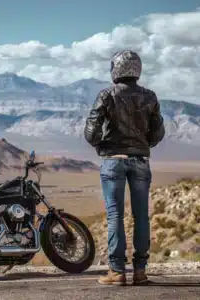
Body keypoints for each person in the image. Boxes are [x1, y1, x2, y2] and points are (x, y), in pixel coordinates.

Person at [84, 50, 165, 286]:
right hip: (141, 161)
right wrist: (143, 145)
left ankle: (117, 272)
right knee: (141, 216)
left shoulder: (106, 94)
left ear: (115, 69)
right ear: (136, 69)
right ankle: (140, 271)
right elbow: (158, 132)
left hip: (113, 161)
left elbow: (91, 130)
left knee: (115, 215)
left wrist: (102, 146)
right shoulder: (150, 97)